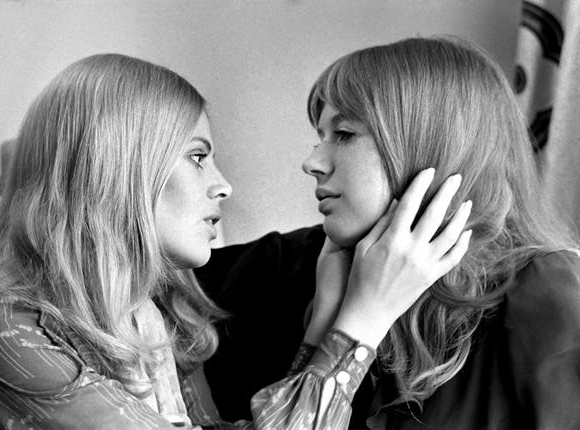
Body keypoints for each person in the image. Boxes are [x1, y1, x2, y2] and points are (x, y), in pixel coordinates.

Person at [0, 53, 466, 429]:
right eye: (197, 156)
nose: (223, 184)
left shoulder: (146, 316)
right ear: (118, 171)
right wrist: (360, 326)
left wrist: (327, 318)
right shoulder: (3, 335)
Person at [198, 37, 580, 429]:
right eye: (319, 136)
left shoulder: (545, 291)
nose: (311, 162)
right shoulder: (303, 261)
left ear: (431, 142)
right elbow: (152, 280)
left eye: (344, 134)